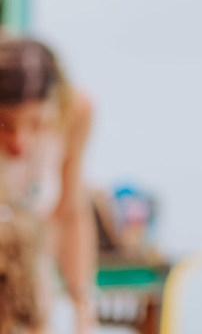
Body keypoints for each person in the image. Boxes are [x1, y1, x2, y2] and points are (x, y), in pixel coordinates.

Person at [0, 37, 96, 334]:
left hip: (31, 284)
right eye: (3, 123)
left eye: (35, 123)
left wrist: (81, 305)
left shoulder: (75, 111)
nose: (19, 143)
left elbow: (70, 212)